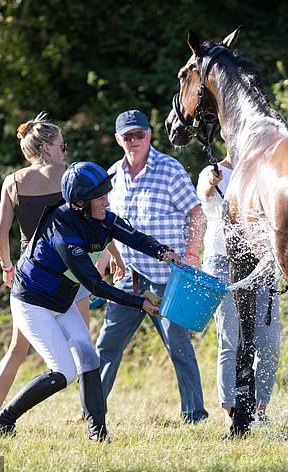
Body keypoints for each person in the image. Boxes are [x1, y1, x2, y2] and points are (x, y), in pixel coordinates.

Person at [0, 161, 179, 441]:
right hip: (31, 302)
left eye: (106, 194)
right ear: (80, 203)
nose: (106, 201)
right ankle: (1, 422)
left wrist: (163, 252)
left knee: (88, 357)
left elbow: (133, 236)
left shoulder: (99, 217)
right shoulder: (64, 232)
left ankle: (98, 434)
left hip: (60, 301)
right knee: (63, 371)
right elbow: (95, 285)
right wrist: (140, 303)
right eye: (100, 197)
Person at [0, 113, 125, 431]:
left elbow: (0, 235)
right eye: (62, 145)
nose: (65, 151)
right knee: (83, 347)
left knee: (17, 349)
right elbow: (95, 221)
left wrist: (7, 266)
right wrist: (114, 256)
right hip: (72, 271)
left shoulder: (13, 182)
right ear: (46, 147)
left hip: (31, 274)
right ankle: (91, 420)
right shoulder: (70, 177)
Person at [95, 110, 209, 423]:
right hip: (129, 279)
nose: (134, 141)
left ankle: (194, 415)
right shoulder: (112, 177)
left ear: (149, 135)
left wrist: (191, 255)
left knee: (179, 347)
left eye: (139, 134)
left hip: (169, 279)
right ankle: (92, 410)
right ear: (119, 139)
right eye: (127, 136)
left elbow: (197, 215)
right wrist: (102, 266)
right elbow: (108, 230)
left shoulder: (169, 169)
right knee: (107, 345)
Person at [197, 158, 281, 425]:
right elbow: (205, 193)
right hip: (222, 261)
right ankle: (231, 411)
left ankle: (260, 409)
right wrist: (212, 184)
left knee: (268, 343)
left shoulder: (267, 168)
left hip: (262, 259)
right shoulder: (213, 171)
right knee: (231, 338)